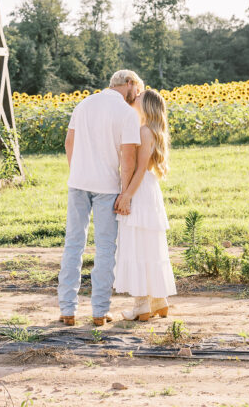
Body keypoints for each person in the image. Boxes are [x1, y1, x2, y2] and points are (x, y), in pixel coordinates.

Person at [57, 69, 144, 326]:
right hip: (107, 187)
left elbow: (68, 143)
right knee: (106, 248)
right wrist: (125, 193)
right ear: (129, 84)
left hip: (78, 183)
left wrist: (78, 171)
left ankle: (67, 309)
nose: (136, 96)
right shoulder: (126, 113)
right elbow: (128, 160)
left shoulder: (84, 104)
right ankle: (99, 311)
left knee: (73, 243)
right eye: (136, 90)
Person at [113, 88, 177, 320]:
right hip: (150, 189)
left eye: (139, 97)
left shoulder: (143, 131)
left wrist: (127, 195)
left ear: (147, 104)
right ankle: (158, 299)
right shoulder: (154, 131)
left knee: (136, 244)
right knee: (149, 244)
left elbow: (139, 169)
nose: (134, 97)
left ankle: (141, 304)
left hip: (139, 190)